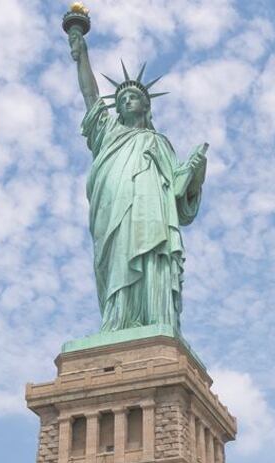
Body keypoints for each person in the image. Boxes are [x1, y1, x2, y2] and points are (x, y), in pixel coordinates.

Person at [67, 27, 207, 334]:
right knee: (117, 257)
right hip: (112, 207)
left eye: (134, 97)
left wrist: (195, 174)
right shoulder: (108, 133)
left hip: (152, 213)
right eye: (123, 98)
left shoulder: (159, 143)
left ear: (146, 105)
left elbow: (180, 196)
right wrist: (82, 55)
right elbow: (90, 96)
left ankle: (155, 320)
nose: (128, 101)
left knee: (152, 256)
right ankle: (117, 321)